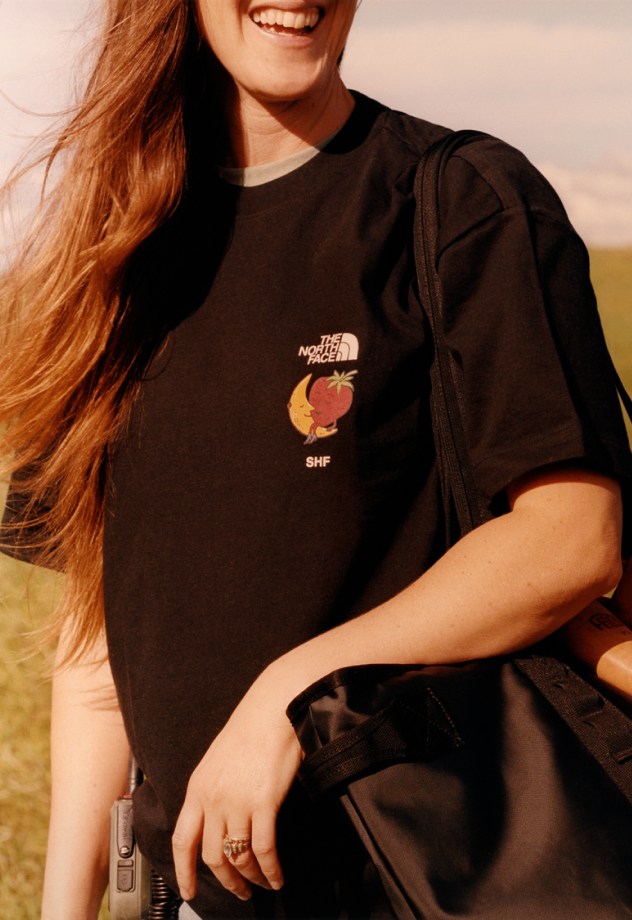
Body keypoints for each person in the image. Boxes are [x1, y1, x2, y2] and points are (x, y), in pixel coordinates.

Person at [0, 2, 630, 918]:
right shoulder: (123, 249)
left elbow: (571, 539)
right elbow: (105, 642)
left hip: (419, 884)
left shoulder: (460, 200)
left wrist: (288, 693)